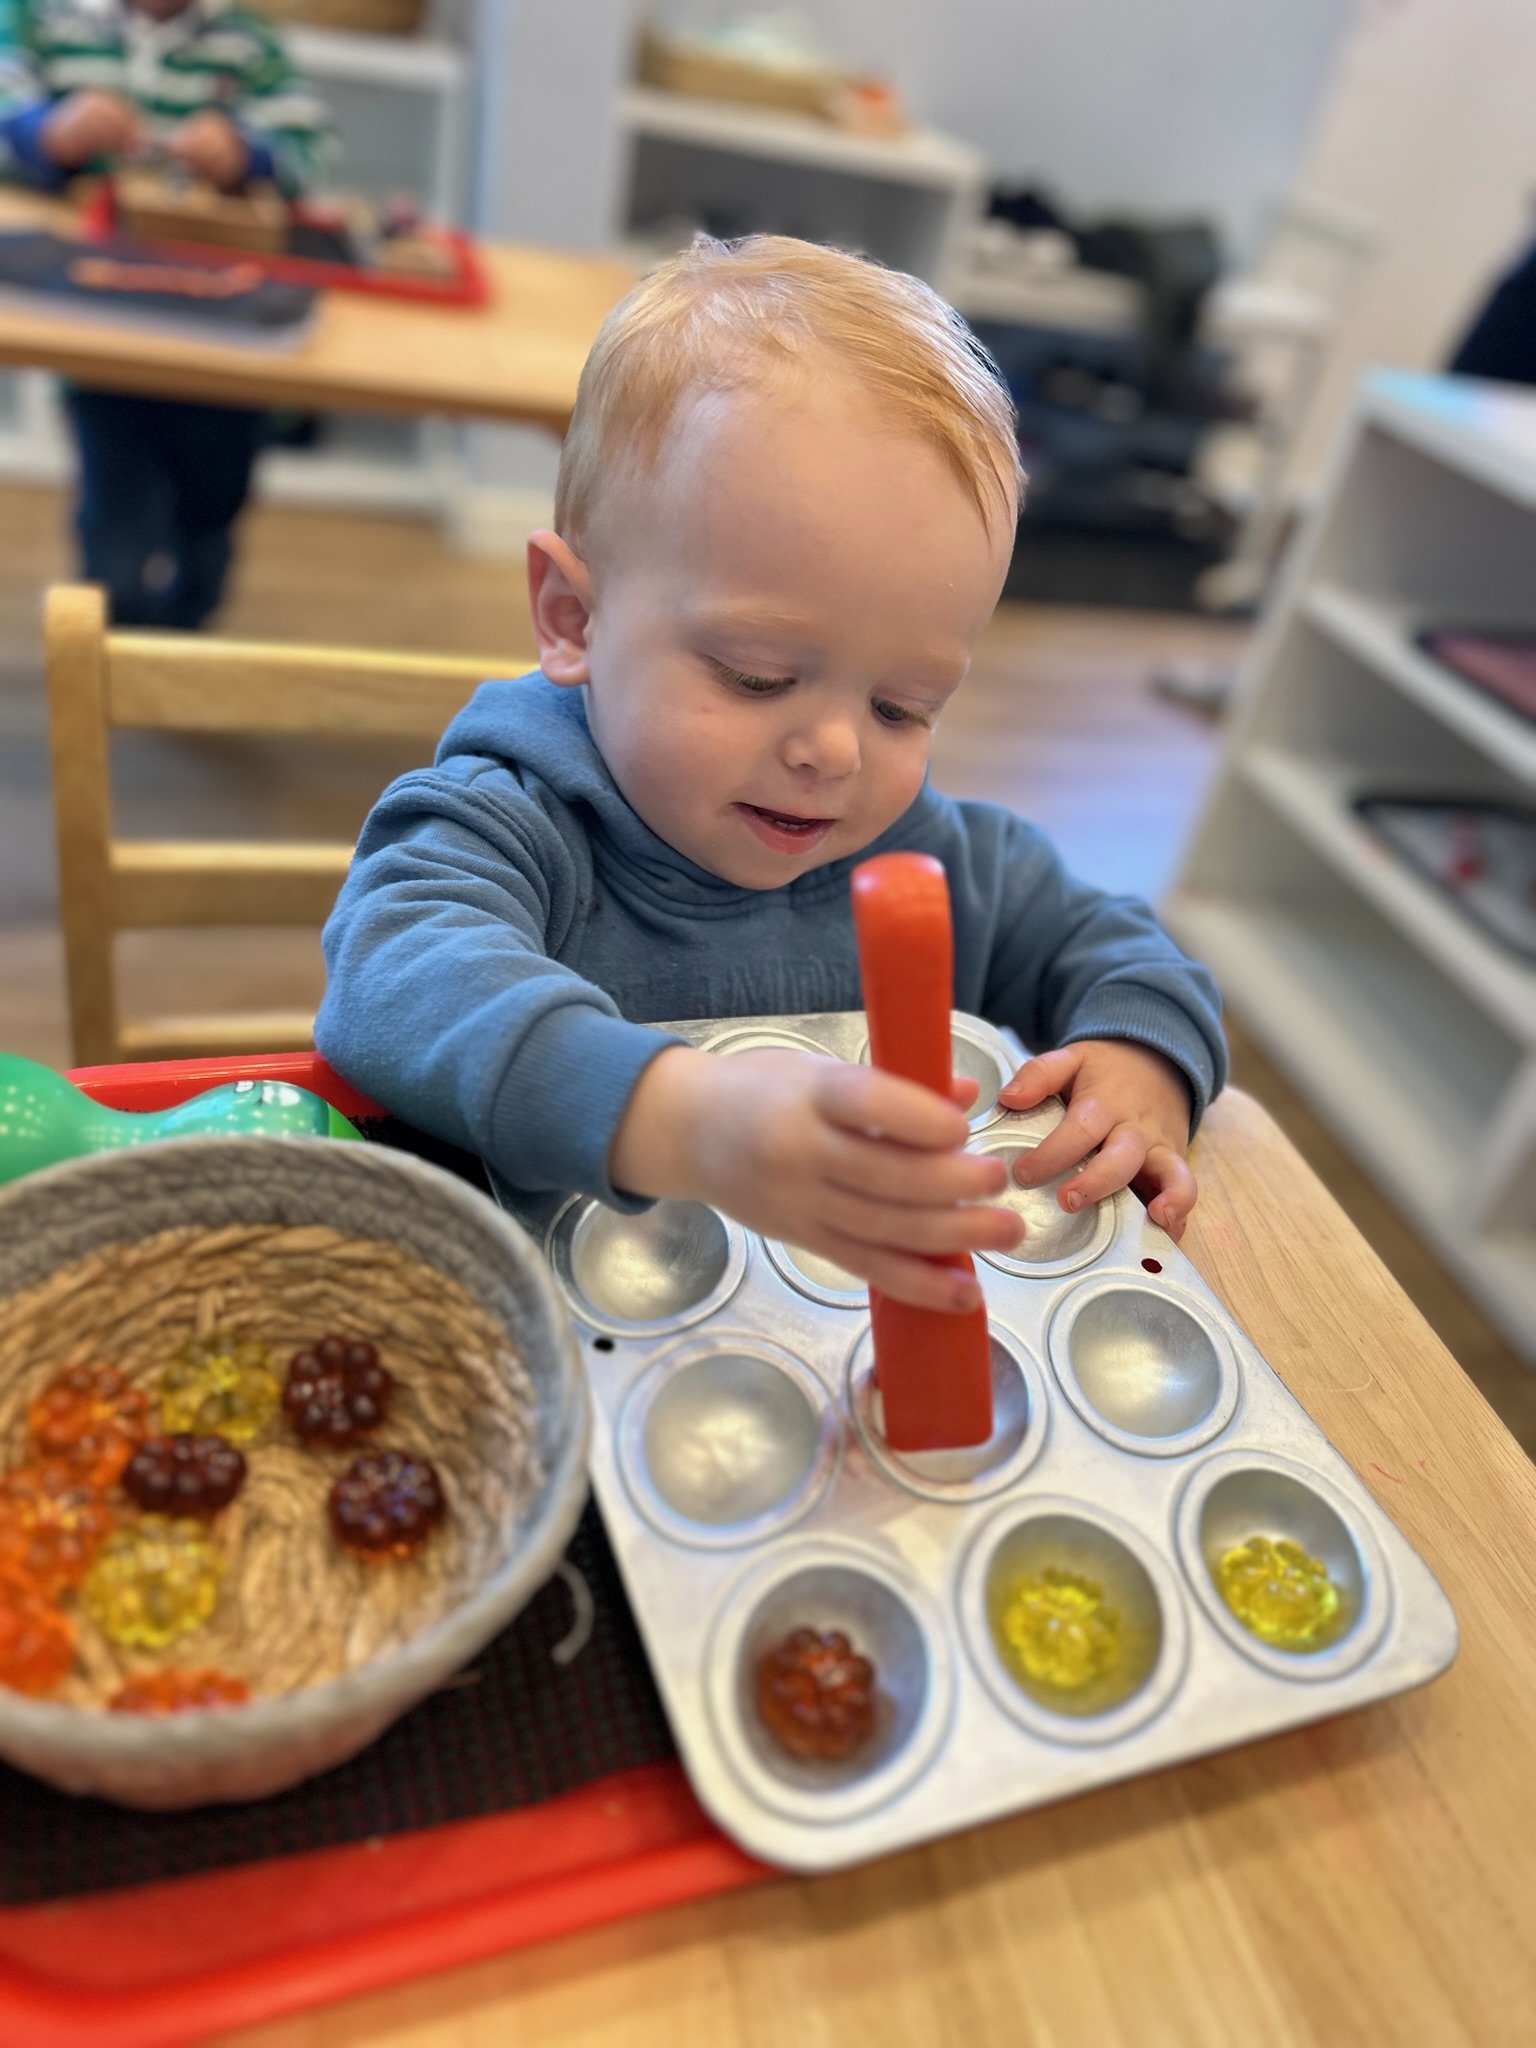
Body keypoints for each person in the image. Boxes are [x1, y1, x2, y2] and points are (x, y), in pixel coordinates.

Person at [317, 236, 1227, 1314]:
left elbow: (1128, 951)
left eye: (902, 707)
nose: (835, 751)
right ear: (573, 619)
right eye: (758, 676)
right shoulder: (511, 823)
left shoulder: (935, 858)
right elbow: (394, 980)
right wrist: (681, 1117)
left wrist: (1144, 1055)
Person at [0, 0, 335, 628]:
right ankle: (112, 643)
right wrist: (46, 131)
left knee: (209, 519)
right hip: (107, 335)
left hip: (228, 342)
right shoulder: (38, 18)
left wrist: (247, 154)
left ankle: (185, 619)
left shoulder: (247, 42)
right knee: (115, 535)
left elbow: (313, 149)